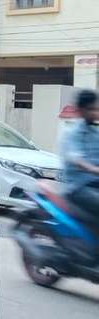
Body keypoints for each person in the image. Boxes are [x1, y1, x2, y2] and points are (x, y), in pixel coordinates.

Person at [62, 89, 99, 227]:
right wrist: (94, 169)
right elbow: (76, 159)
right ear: (81, 110)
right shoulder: (73, 133)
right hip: (78, 187)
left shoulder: (95, 131)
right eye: (91, 109)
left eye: (96, 109)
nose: (95, 113)